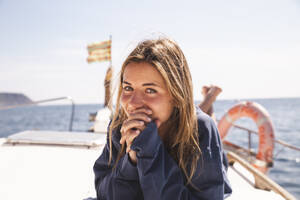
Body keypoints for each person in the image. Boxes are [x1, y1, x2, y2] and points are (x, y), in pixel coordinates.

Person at [93, 37, 232, 200]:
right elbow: (104, 194)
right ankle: (209, 97)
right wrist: (131, 160)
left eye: (150, 90)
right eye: (128, 88)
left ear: (175, 95)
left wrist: (151, 153)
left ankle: (210, 99)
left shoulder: (201, 129)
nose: (132, 104)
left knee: (207, 119)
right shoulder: (119, 126)